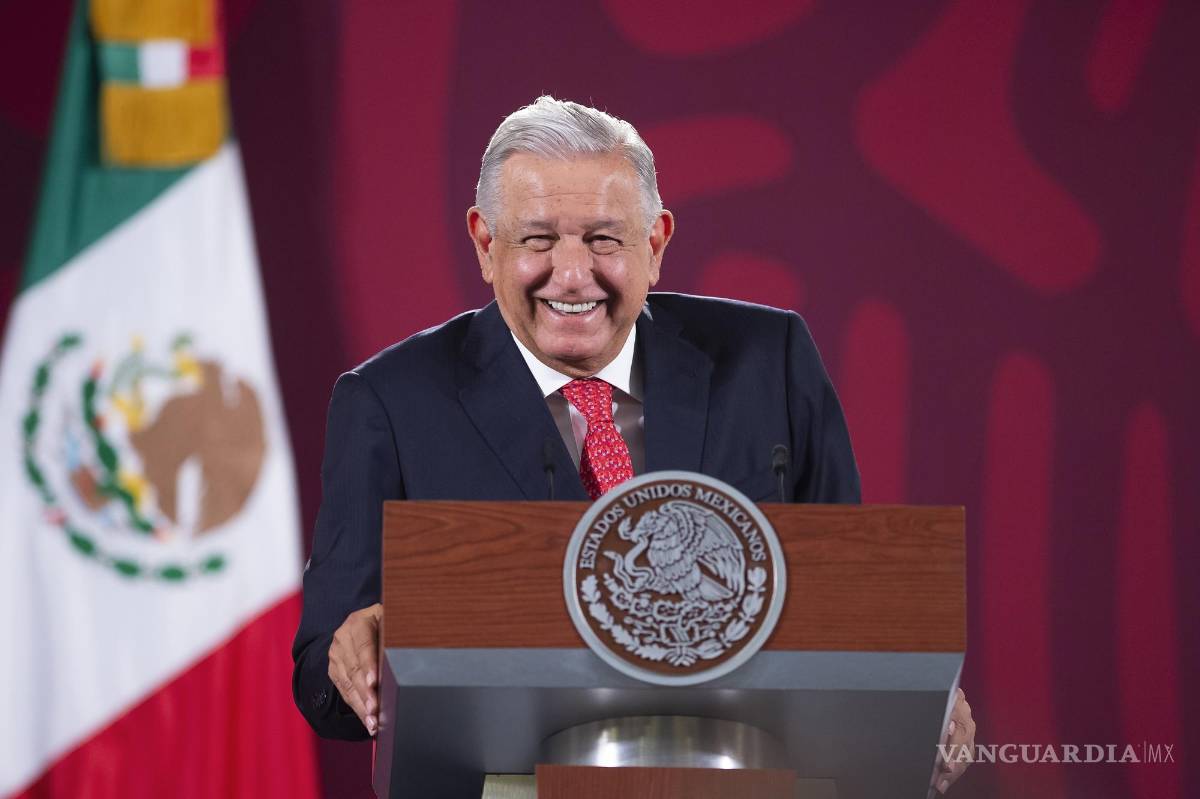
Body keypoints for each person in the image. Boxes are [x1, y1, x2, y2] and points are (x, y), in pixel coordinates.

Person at [291, 96, 976, 793]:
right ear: (484, 242)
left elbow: (857, 604)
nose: (572, 273)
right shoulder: (393, 401)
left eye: (603, 239)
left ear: (656, 244)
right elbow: (320, 674)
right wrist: (362, 650)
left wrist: (924, 694)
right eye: (537, 239)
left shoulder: (768, 362)